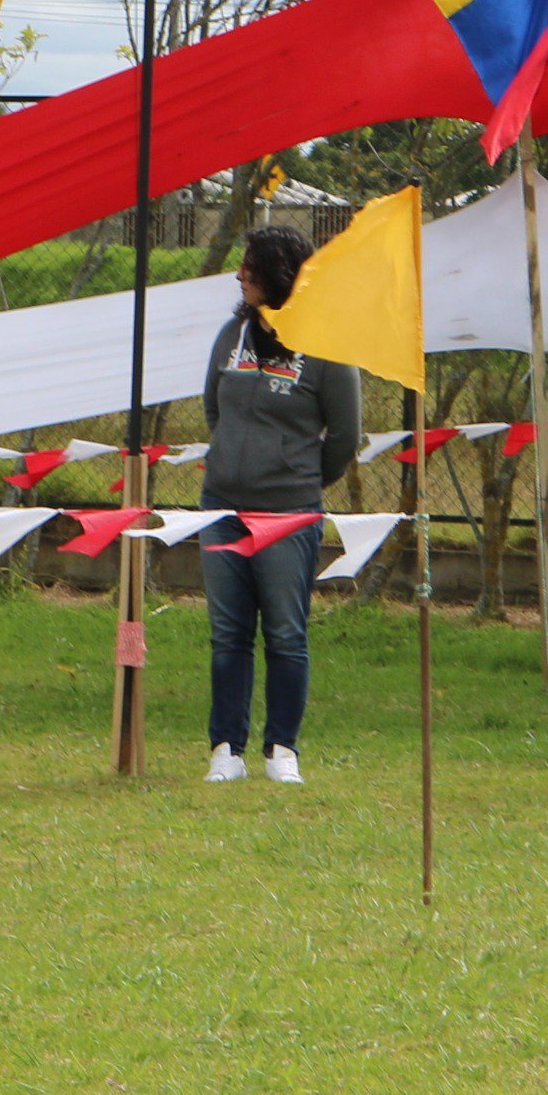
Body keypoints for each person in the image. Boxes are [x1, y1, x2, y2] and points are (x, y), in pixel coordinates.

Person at [195, 222, 361, 784]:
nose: (240, 274)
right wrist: (232, 460)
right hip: (221, 505)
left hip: (288, 512)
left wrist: (299, 478)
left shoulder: (327, 344)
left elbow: (344, 435)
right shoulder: (231, 335)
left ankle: (282, 750)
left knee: (286, 632)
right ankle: (226, 749)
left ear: (281, 276)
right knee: (228, 632)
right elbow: (213, 409)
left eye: (252, 266)